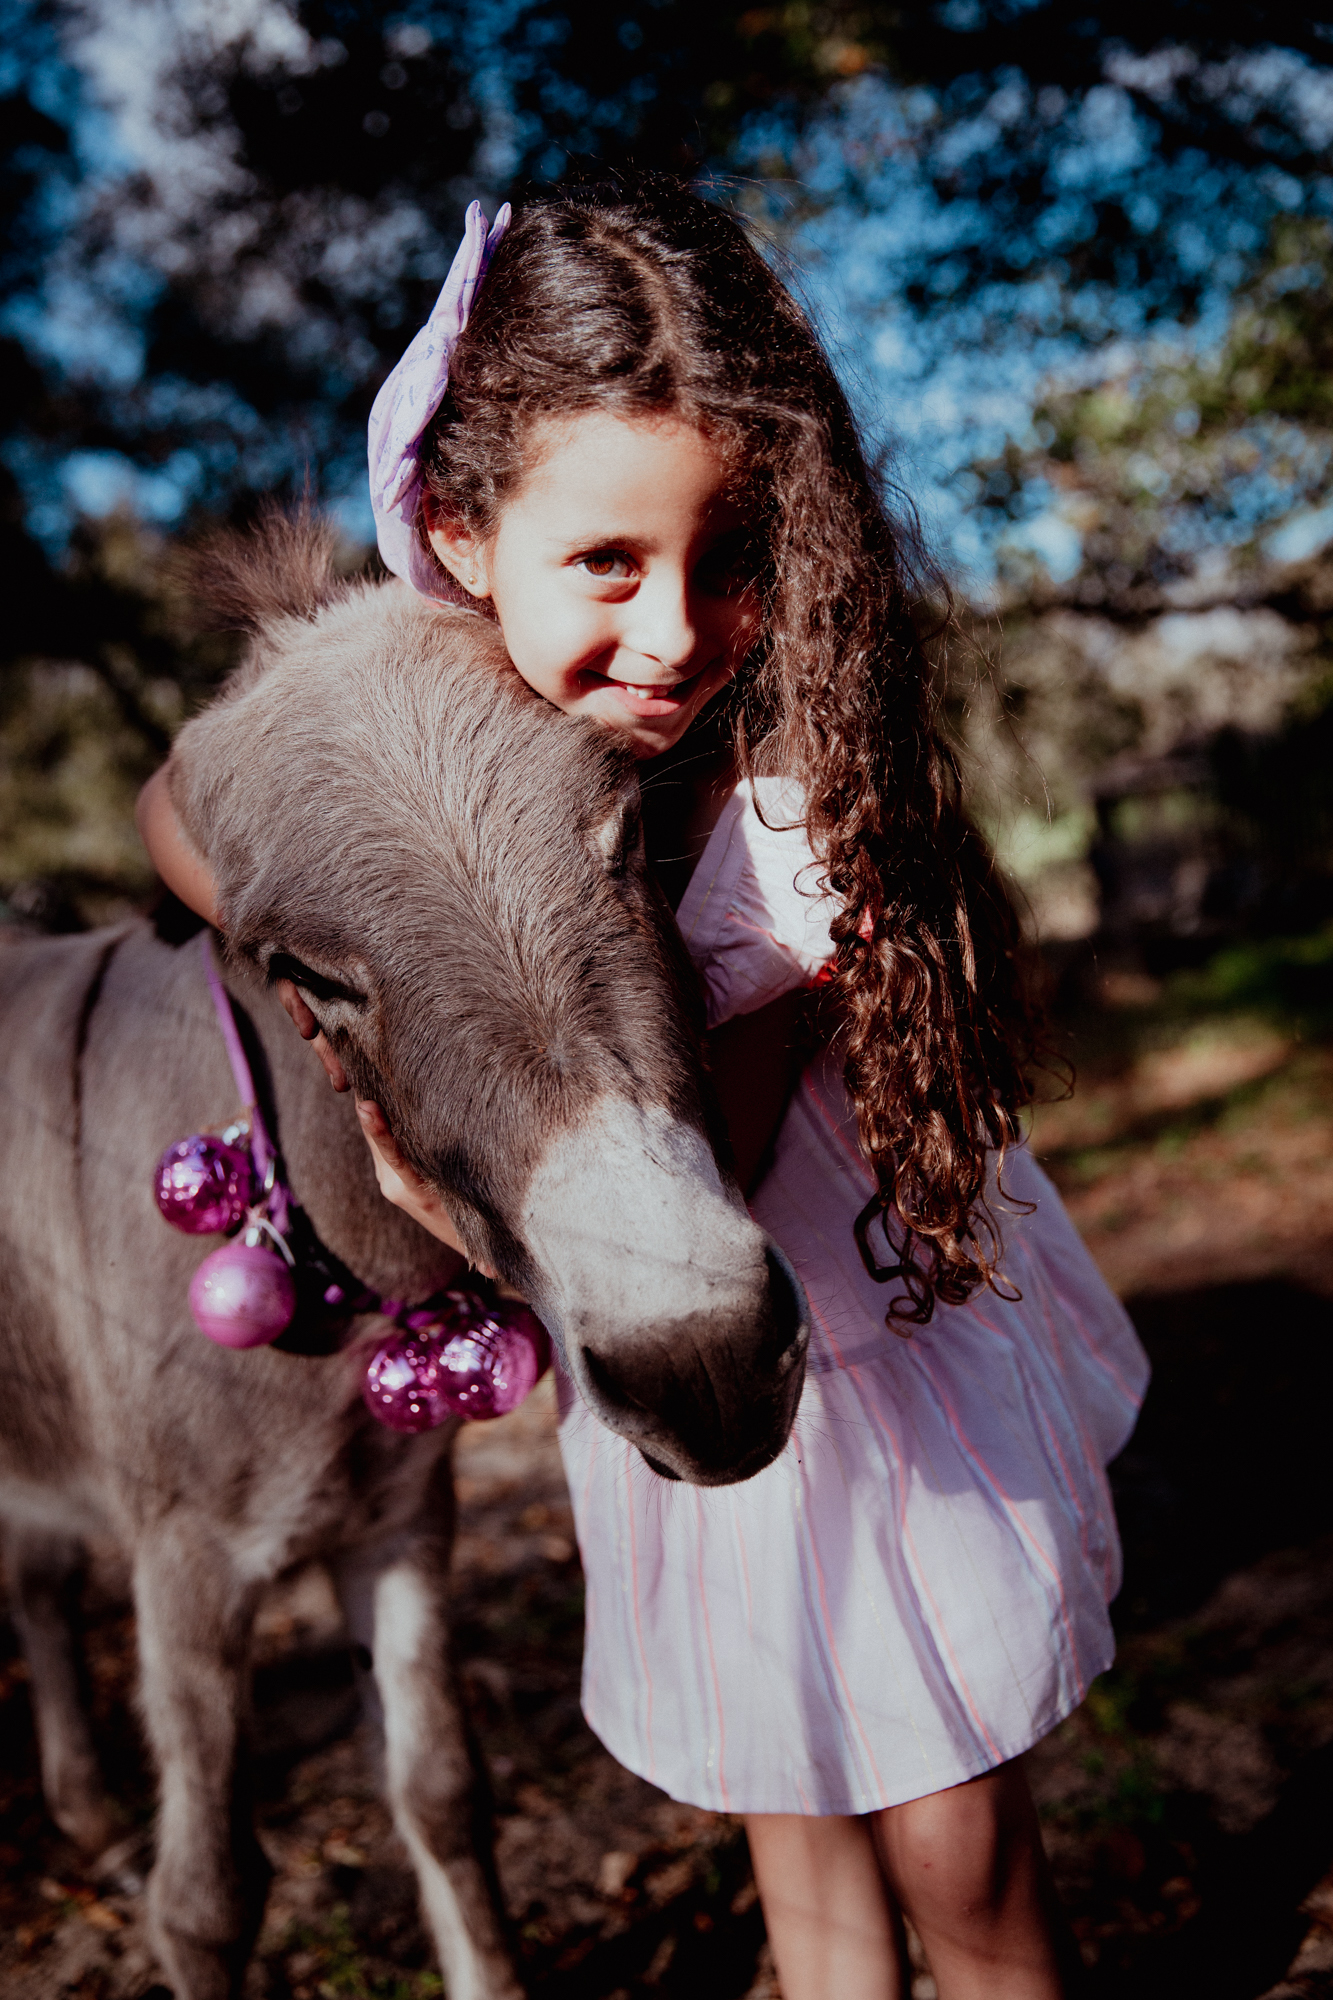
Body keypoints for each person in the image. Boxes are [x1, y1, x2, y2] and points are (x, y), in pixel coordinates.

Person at [139, 180, 1148, 1999]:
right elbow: (174, 802)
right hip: (680, 1391)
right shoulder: (450, 721)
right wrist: (325, 938)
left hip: (834, 1363)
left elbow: (717, 1181)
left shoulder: (784, 817)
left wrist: (458, 1152)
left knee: (959, 1854)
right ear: (462, 533)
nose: (676, 632)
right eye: (608, 562)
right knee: (795, 1832)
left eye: (731, 554)